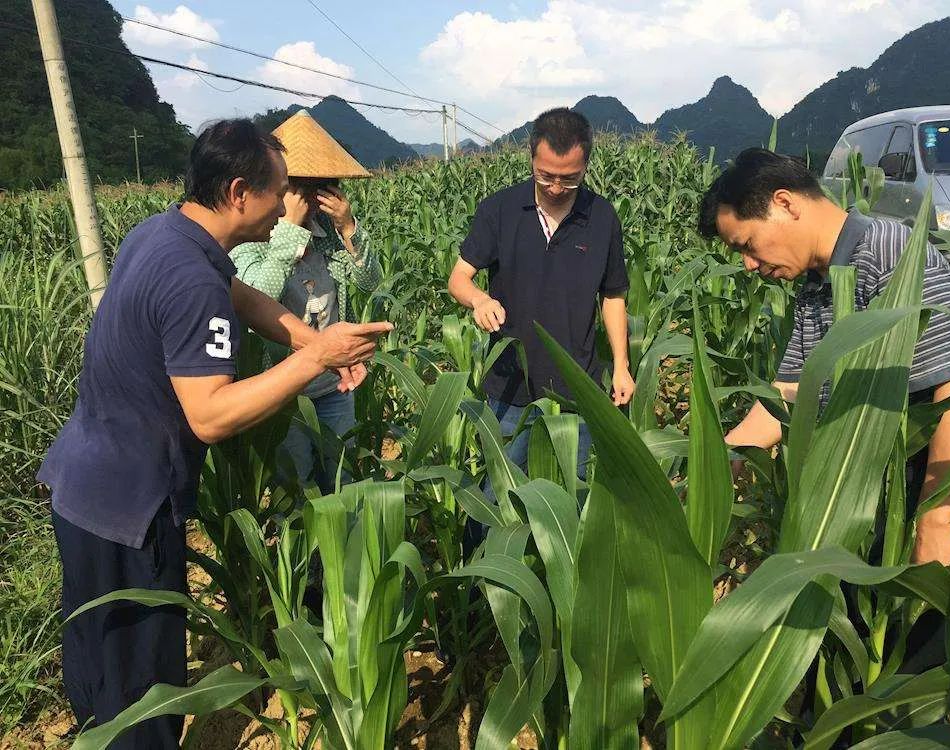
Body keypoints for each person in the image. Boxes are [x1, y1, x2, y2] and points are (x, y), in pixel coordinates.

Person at [37, 119, 392, 749]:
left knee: (98, 665)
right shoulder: (193, 280)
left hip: (83, 486)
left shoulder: (165, 233)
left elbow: (246, 297)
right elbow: (211, 414)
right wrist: (312, 362)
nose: (287, 208)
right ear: (238, 192)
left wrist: (318, 343)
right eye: (278, 192)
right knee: (143, 692)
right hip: (132, 506)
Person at [698, 147, 950, 673]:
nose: (748, 264)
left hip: (929, 480)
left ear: (784, 203)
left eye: (746, 244)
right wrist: (712, 464)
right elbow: (788, 394)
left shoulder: (888, 252)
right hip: (862, 492)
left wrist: (935, 517)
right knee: (857, 656)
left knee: (916, 670)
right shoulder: (818, 283)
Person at [448, 107, 633, 528]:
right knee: (498, 503)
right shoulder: (501, 210)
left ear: (586, 164)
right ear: (531, 158)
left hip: (577, 390)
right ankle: (488, 586)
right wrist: (478, 300)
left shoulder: (601, 217)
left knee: (576, 502)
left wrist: (620, 367)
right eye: (545, 174)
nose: (555, 186)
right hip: (511, 385)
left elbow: (614, 296)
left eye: (569, 178)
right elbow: (459, 277)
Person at [232, 111, 381, 490]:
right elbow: (255, 300)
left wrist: (349, 228)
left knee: (341, 477)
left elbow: (370, 281)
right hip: (284, 393)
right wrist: (288, 231)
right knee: (296, 489)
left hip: (332, 386)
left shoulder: (329, 235)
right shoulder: (252, 237)